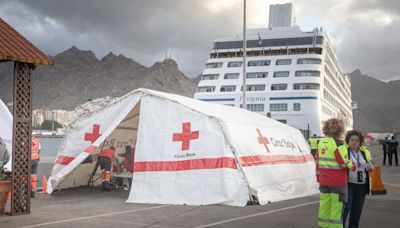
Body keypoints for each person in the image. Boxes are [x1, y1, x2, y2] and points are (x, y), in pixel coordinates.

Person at [316, 118, 355, 228]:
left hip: (324, 181)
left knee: (324, 207)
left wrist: (319, 178)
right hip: (337, 183)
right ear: (340, 129)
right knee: (336, 211)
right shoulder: (338, 143)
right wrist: (352, 165)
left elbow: (318, 163)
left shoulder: (321, 142)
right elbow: (342, 163)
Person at [342, 130, 374, 228]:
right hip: (349, 185)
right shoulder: (344, 151)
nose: (354, 142)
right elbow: (341, 164)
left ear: (360, 142)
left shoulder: (365, 152)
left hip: (362, 186)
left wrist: (370, 166)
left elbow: (370, 165)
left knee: (357, 211)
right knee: (346, 208)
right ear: (348, 141)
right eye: (352, 140)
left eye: (357, 140)